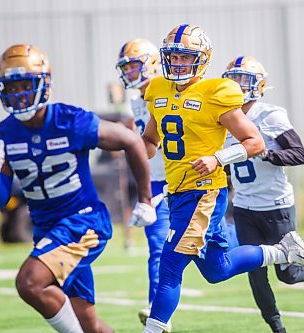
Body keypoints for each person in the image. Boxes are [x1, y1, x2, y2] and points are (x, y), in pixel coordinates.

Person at [138, 24, 304, 333]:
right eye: (174, 57)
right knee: (216, 269)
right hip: (178, 192)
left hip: (205, 194)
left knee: (169, 267)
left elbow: (255, 143)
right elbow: (150, 141)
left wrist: (218, 158)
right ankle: (283, 250)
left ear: (201, 60)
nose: (178, 63)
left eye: (186, 57)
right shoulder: (157, 89)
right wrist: (130, 150)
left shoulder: (215, 92)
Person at [0, 44, 156, 333]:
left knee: (29, 282)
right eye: (11, 87)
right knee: (91, 327)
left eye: (26, 85)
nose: (19, 94)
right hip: (48, 231)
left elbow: (131, 140)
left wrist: (146, 199)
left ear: (43, 84)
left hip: (83, 223)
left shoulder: (69, 121)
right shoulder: (6, 132)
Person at [222, 55, 304, 333]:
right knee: (255, 273)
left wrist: (269, 154)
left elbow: (299, 154)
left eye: (243, 79)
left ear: (259, 84)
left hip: (275, 205)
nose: (237, 85)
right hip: (244, 207)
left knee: (288, 274)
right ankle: (277, 327)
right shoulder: (223, 118)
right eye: (232, 79)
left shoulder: (270, 115)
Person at [115, 38, 172, 332]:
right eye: (125, 67)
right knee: (157, 247)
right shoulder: (137, 101)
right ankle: (157, 312)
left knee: (214, 258)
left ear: (151, 62)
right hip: (157, 183)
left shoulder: (169, 93)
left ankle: (271, 250)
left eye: (134, 66)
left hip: (186, 180)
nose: (129, 72)